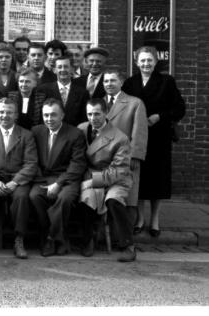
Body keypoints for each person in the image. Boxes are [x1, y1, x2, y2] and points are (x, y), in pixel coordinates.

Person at [122, 46, 185, 237]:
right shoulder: (130, 83)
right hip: (138, 138)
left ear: (156, 62)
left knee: (158, 180)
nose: (146, 64)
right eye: (142, 60)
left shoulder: (167, 81)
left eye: (150, 60)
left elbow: (179, 108)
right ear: (136, 62)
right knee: (139, 178)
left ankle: (155, 219)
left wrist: (160, 116)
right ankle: (140, 218)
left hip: (159, 138)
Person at [77, 98, 137, 262]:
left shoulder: (119, 138)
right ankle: (88, 240)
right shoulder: (81, 129)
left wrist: (92, 181)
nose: (93, 118)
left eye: (97, 113)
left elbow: (119, 170)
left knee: (113, 200)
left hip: (116, 178)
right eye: (89, 114)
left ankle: (128, 245)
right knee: (86, 198)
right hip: (91, 175)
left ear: (106, 113)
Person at [0, 98, 39, 259]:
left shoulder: (26, 135)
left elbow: (31, 163)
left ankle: (19, 239)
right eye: (1, 112)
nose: (4, 115)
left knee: (21, 198)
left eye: (9, 112)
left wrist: (15, 182)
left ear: (16, 115)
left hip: (17, 178)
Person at [29, 98, 87, 257]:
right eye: (46, 115)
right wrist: (41, 179)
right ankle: (59, 238)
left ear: (62, 115)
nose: (49, 119)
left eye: (53, 115)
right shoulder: (36, 131)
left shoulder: (75, 134)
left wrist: (59, 183)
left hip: (67, 178)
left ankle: (50, 238)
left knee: (64, 199)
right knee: (35, 196)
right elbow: (31, 159)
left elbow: (77, 164)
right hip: (42, 178)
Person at [102, 67, 148, 230]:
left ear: (121, 82)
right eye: (106, 81)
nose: (109, 84)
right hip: (103, 161)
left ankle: (124, 238)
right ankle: (105, 235)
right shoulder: (100, 103)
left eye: (113, 80)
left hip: (126, 160)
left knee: (127, 200)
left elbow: (140, 132)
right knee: (104, 198)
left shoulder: (134, 103)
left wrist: (135, 156)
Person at [38, 54, 90, 126]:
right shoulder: (44, 90)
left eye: (66, 66)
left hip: (74, 133)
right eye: (59, 67)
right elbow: (39, 117)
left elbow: (84, 118)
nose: (63, 69)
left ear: (72, 69)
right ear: (54, 70)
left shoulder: (83, 93)